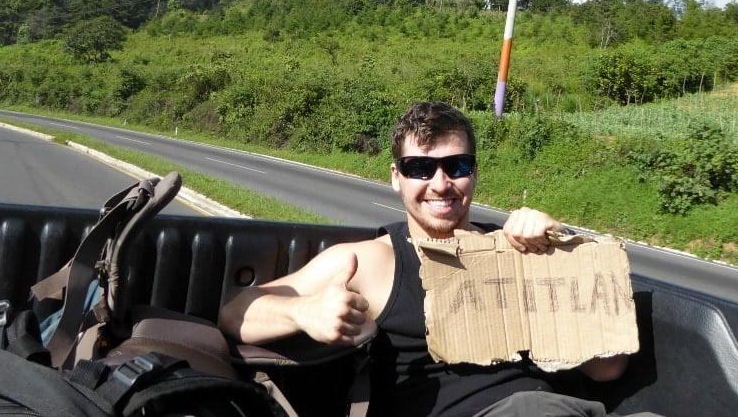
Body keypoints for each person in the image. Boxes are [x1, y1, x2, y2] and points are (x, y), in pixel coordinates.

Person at [218, 101, 629, 417]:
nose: (440, 183)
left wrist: (563, 252)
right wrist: (304, 312)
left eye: (457, 166)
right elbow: (236, 314)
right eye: (420, 168)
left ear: (474, 172)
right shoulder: (369, 262)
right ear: (396, 177)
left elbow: (607, 370)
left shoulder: (516, 249)